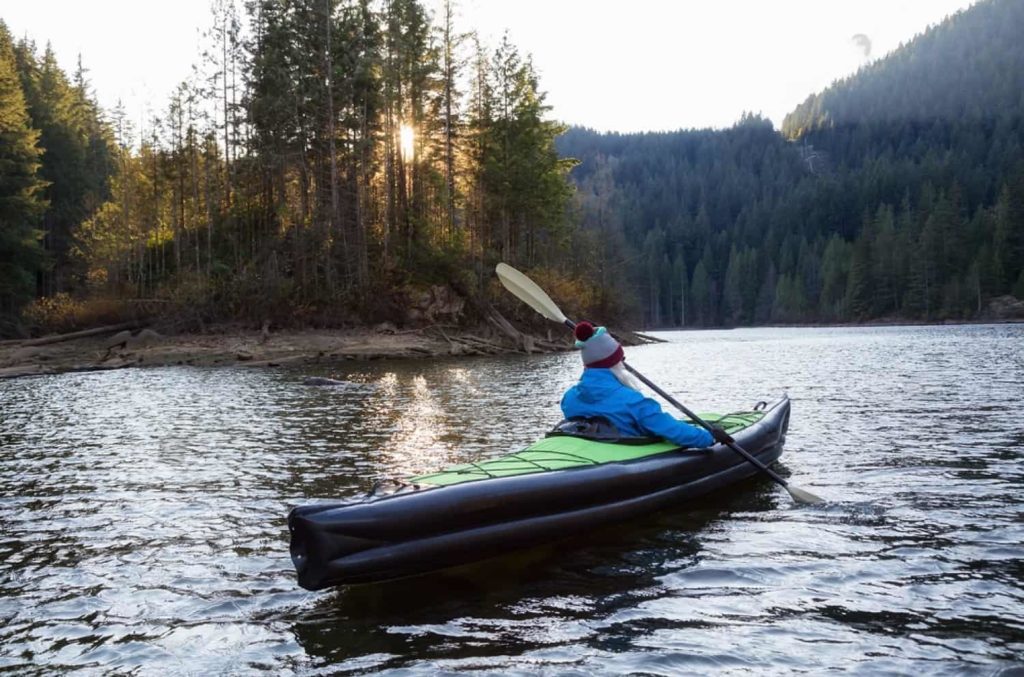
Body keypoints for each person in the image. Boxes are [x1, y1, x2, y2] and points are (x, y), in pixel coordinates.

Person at [560, 321, 715, 448]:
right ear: (616, 363)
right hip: (624, 462)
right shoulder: (633, 402)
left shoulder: (568, 399)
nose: (623, 362)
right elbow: (672, 430)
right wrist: (709, 437)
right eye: (621, 359)